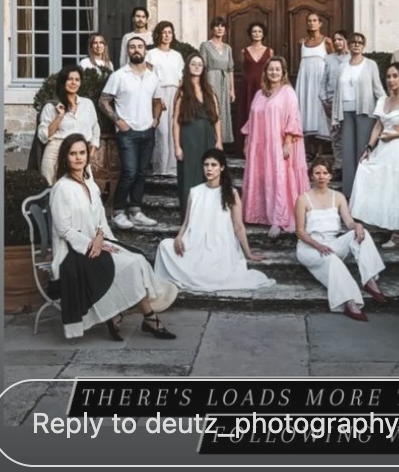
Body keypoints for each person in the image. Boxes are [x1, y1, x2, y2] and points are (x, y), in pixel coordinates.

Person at [50, 133, 177, 341]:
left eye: (82, 153)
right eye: (73, 154)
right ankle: (148, 317)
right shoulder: (62, 188)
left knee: (137, 258)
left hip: (96, 242)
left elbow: (100, 218)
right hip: (73, 252)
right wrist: (92, 245)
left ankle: (131, 316)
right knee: (131, 264)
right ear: (65, 157)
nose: (78, 157)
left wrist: (102, 240)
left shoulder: (89, 184)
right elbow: (64, 229)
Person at [155, 148, 276, 293]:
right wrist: (179, 236)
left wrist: (248, 252)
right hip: (195, 241)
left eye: (214, 165)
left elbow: (238, 226)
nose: (209, 169)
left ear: (222, 167)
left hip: (220, 243)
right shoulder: (195, 191)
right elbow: (186, 222)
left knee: (213, 271)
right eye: (206, 165)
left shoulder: (231, 193)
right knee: (164, 246)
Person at [295, 157, 387, 322]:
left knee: (362, 233)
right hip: (310, 246)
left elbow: (349, 222)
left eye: (325, 173)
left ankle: (370, 279)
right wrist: (317, 245)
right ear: (311, 176)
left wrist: (357, 225)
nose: (321, 176)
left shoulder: (338, 197)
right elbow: (300, 232)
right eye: (317, 173)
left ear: (330, 176)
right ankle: (350, 302)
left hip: (333, 243)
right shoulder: (303, 199)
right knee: (332, 260)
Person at [349, 62, 399, 248]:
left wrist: (396, 135)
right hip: (382, 147)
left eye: (395, 76)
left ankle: (398, 234)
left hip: (398, 146)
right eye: (388, 76)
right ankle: (380, 223)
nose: (391, 80)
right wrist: (369, 148)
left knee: (395, 186)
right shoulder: (383, 100)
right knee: (368, 171)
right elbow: (378, 126)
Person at [241, 56, 309, 239]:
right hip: (258, 145)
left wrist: (287, 142)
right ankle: (259, 214)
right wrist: (247, 141)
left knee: (278, 179)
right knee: (261, 177)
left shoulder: (288, 92)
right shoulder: (259, 93)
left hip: (277, 144)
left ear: (283, 72)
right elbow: (252, 119)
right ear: (266, 72)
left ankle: (278, 219)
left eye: (278, 69)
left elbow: (293, 118)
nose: (274, 72)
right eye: (271, 69)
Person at [99, 36, 163, 231]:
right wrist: (118, 121)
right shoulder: (119, 75)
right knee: (129, 172)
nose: (136, 50)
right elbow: (103, 100)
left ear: (145, 51)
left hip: (147, 130)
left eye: (140, 47)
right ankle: (118, 212)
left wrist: (156, 120)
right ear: (127, 51)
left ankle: (136, 210)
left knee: (142, 172)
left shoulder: (153, 76)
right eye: (132, 47)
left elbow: (158, 100)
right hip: (127, 132)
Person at [331, 33, 385, 198]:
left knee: (363, 152)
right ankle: (349, 193)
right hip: (346, 113)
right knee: (348, 154)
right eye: (353, 42)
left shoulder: (370, 65)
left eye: (360, 42)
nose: (356, 45)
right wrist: (335, 116)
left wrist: (385, 110)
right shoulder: (342, 66)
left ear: (364, 46)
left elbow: (378, 89)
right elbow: (337, 93)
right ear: (348, 44)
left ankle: (366, 194)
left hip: (365, 112)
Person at [172, 52, 222, 219]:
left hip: (207, 137)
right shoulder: (182, 91)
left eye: (199, 64)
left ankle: (207, 215)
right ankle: (189, 216)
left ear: (203, 68)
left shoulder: (209, 91)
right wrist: (177, 146)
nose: (196, 67)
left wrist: (219, 140)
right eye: (193, 64)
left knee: (207, 174)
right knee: (189, 176)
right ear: (188, 67)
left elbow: (216, 118)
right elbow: (175, 120)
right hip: (188, 138)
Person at [37, 67, 100, 184]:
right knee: (51, 188)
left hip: (79, 151)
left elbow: (95, 128)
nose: (74, 82)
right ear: (63, 81)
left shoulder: (87, 104)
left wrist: (90, 152)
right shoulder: (51, 106)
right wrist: (59, 116)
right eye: (70, 79)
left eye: (77, 79)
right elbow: (43, 136)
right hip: (56, 151)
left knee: (85, 187)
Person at [148, 21, 185, 175]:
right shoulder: (152, 54)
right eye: (164, 32)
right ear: (159, 34)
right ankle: (160, 168)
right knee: (162, 132)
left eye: (169, 32)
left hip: (175, 93)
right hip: (159, 92)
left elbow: (181, 78)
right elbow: (149, 77)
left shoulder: (177, 55)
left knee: (174, 129)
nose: (167, 35)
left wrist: (180, 96)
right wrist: (156, 97)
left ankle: (172, 168)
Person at [295, 11, 333, 152]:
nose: (312, 23)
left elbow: (332, 61)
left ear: (320, 23)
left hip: (320, 79)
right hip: (305, 80)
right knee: (305, 108)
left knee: (319, 110)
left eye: (315, 20)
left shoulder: (327, 41)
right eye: (309, 20)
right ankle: (308, 149)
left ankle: (320, 150)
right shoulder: (303, 42)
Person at [199, 17, 235, 145]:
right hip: (211, 80)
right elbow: (201, 67)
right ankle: (209, 140)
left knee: (223, 111)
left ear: (225, 30)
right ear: (212, 29)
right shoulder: (205, 46)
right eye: (217, 26)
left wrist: (232, 90)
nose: (220, 28)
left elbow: (230, 69)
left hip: (224, 82)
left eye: (222, 26)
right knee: (211, 109)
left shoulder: (228, 48)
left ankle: (220, 142)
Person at [318, 30, 349, 176]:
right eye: (335, 40)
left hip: (347, 103)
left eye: (340, 39)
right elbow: (323, 82)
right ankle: (338, 166)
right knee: (335, 135)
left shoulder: (352, 59)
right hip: (331, 102)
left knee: (348, 135)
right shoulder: (329, 59)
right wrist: (324, 101)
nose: (337, 42)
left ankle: (350, 165)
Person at [237, 22, 273, 139]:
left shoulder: (270, 51)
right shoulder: (244, 51)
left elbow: (271, 68)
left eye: (259, 31)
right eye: (254, 31)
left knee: (263, 113)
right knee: (247, 112)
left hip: (263, 86)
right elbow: (243, 68)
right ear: (250, 34)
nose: (257, 34)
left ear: (263, 34)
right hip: (248, 86)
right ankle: (246, 144)